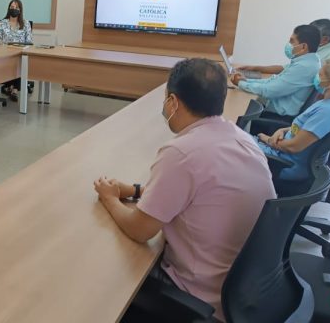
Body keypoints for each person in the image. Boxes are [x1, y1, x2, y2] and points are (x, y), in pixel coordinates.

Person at [94, 58, 275, 321]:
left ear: (173, 102)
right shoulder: (242, 140)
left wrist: (109, 198)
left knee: (107, 270)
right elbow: (200, 191)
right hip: (246, 292)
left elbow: (139, 230)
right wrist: (134, 189)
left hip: (201, 298)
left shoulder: (182, 153)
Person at [256, 57, 330, 183]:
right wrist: (282, 130)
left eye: (320, 75)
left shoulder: (328, 112)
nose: (316, 77)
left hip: (282, 164)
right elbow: (305, 128)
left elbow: (294, 147)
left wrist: (268, 140)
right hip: (278, 154)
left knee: (233, 147)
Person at [231, 24, 321, 118]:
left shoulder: (304, 67)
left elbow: (269, 90)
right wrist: (247, 81)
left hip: (277, 115)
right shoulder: (309, 61)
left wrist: (241, 84)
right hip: (275, 105)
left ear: (303, 47)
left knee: (236, 106)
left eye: (292, 41)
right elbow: (274, 81)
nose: (288, 44)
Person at [0, 0, 32, 102]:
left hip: (20, 54)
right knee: (12, 64)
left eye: (16, 7)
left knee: (20, 64)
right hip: (5, 55)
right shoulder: (2, 23)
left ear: (20, 10)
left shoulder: (26, 23)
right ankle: (11, 88)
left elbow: (29, 41)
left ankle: (12, 89)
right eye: (12, 7)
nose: (14, 9)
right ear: (8, 9)